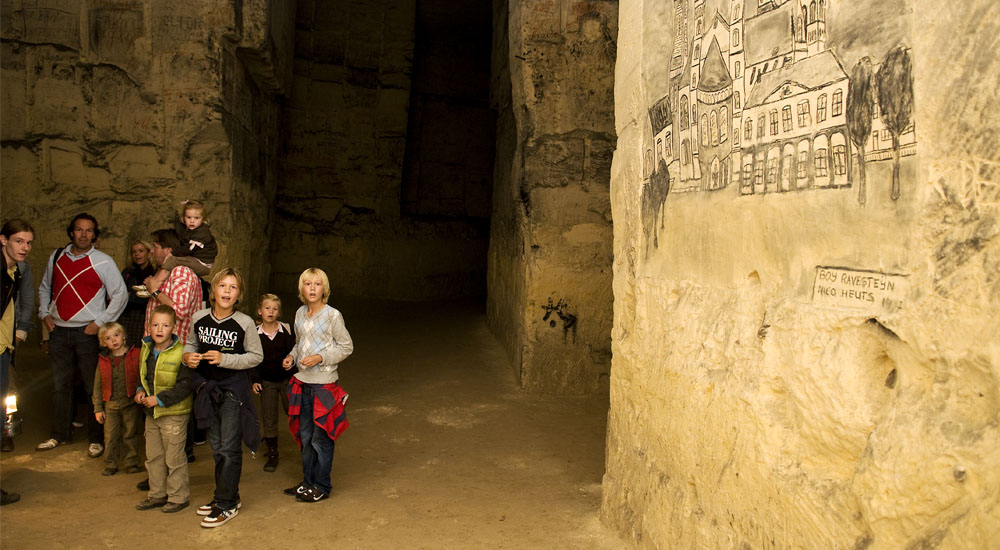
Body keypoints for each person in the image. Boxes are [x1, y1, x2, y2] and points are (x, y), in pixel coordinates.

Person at [36, 213, 127, 457]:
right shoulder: (56, 257)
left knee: (91, 387)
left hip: (87, 332)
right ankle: (59, 435)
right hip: (58, 330)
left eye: (89, 231)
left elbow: (120, 294)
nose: (84, 234)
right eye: (79, 230)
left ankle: (96, 439)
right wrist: (44, 313)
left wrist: (100, 323)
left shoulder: (103, 261)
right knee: (60, 386)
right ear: (71, 232)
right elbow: (45, 288)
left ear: (95, 235)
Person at [183, 268, 262, 528]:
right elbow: (191, 344)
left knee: (229, 448)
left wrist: (224, 358)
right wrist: (187, 356)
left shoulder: (245, 322)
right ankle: (225, 496)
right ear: (213, 290)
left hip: (233, 391)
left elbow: (255, 356)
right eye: (223, 286)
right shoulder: (199, 317)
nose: (227, 291)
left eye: (233, 287)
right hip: (208, 389)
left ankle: (226, 504)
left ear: (239, 295)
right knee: (217, 447)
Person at [282, 268, 353, 503]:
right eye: (307, 284)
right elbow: (299, 342)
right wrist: (292, 357)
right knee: (305, 436)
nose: (312, 288)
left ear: (325, 288)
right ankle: (308, 482)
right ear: (301, 288)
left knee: (320, 439)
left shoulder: (333, 316)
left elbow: (346, 347)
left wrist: (320, 358)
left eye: (318, 284)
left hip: (323, 386)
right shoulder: (300, 313)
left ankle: (322, 485)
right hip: (302, 382)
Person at [134, 305, 192, 513]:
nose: (159, 329)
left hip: (173, 414)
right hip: (152, 414)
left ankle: (178, 496)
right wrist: (141, 389)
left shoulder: (182, 352)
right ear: (149, 326)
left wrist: (158, 399)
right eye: (155, 324)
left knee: (173, 457)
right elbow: (143, 375)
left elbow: (185, 386)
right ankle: (157, 494)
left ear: (174, 328)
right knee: (154, 456)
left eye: (165, 325)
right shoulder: (146, 349)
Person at [1, 219, 35, 505]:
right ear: (3, 240)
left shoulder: (16, 271)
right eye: (18, 241)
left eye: (28, 242)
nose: (25, 247)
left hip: (4, 348)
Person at [248, 294, 295, 472]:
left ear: (279, 312)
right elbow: (252, 359)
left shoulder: (286, 330)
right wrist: (254, 380)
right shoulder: (254, 333)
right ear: (260, 311)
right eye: (267, 308)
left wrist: (293, 368)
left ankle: (304, 444)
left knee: (294, 411)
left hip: (286, 380)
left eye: (275, 309)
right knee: (269, 416)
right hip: (266, 381)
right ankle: (273, 452)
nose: (271, 312)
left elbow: (294, 351)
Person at [92, 322, 143, 476]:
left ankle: (131, 462)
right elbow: (98, 386)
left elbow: (143, 376)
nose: (113, 340)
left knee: (130, 434)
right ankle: (111, 463)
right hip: (111, 404)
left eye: (116, 335)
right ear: (103, 342)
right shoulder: (103, 361)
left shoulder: (136, 354)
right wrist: (98, 408)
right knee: (110, 436)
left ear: (124, 336)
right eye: (108, 338)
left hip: (130, 402)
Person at [145, 200, 217, 292]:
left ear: (203, 219)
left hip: (202, 263)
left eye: (196, 218)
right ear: (184, 218)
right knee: (167, 261)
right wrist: (179, 210)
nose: (192, 221)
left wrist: (173, 252)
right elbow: (179, 228)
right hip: (196, 259)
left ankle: (156, 284)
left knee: (172, 260)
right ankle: (154, 281)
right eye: (188, 217)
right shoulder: (190, 229)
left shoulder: (201, 233)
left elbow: (189, 249)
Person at [120, 241, 156, 346]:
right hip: (128, 316)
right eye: (134, 252)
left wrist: (131, 295)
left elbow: (152, 296)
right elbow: (121, 293)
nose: (137, 254)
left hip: (146, 316)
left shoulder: (155, 272)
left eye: (141, 251)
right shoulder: (128, 272)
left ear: (149, 253)